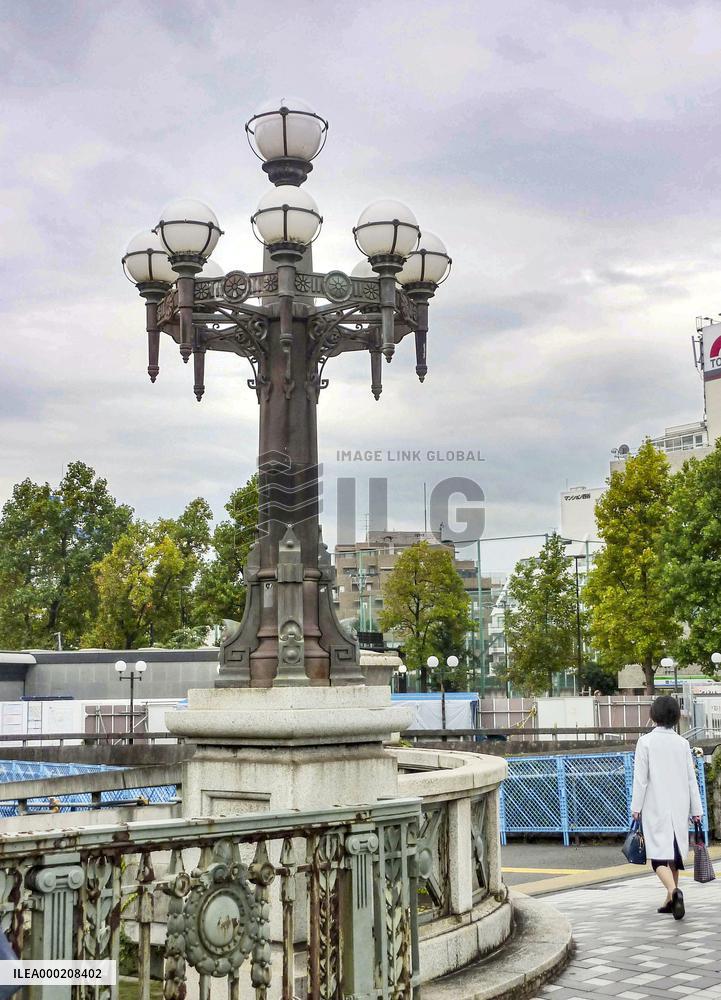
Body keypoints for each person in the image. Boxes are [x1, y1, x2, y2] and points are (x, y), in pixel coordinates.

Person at [631, 695, 703, 919]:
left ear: (653, 715)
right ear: (676, 717)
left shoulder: (646, 742)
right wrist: (697, 810)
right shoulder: (682, 743)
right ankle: (670, 900)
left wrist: (636, 806)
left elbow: (641, 778)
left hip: (655, 805)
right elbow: (692, 779)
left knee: (658, 857)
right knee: (674, 854)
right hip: (680, 806)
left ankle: (674, 892)